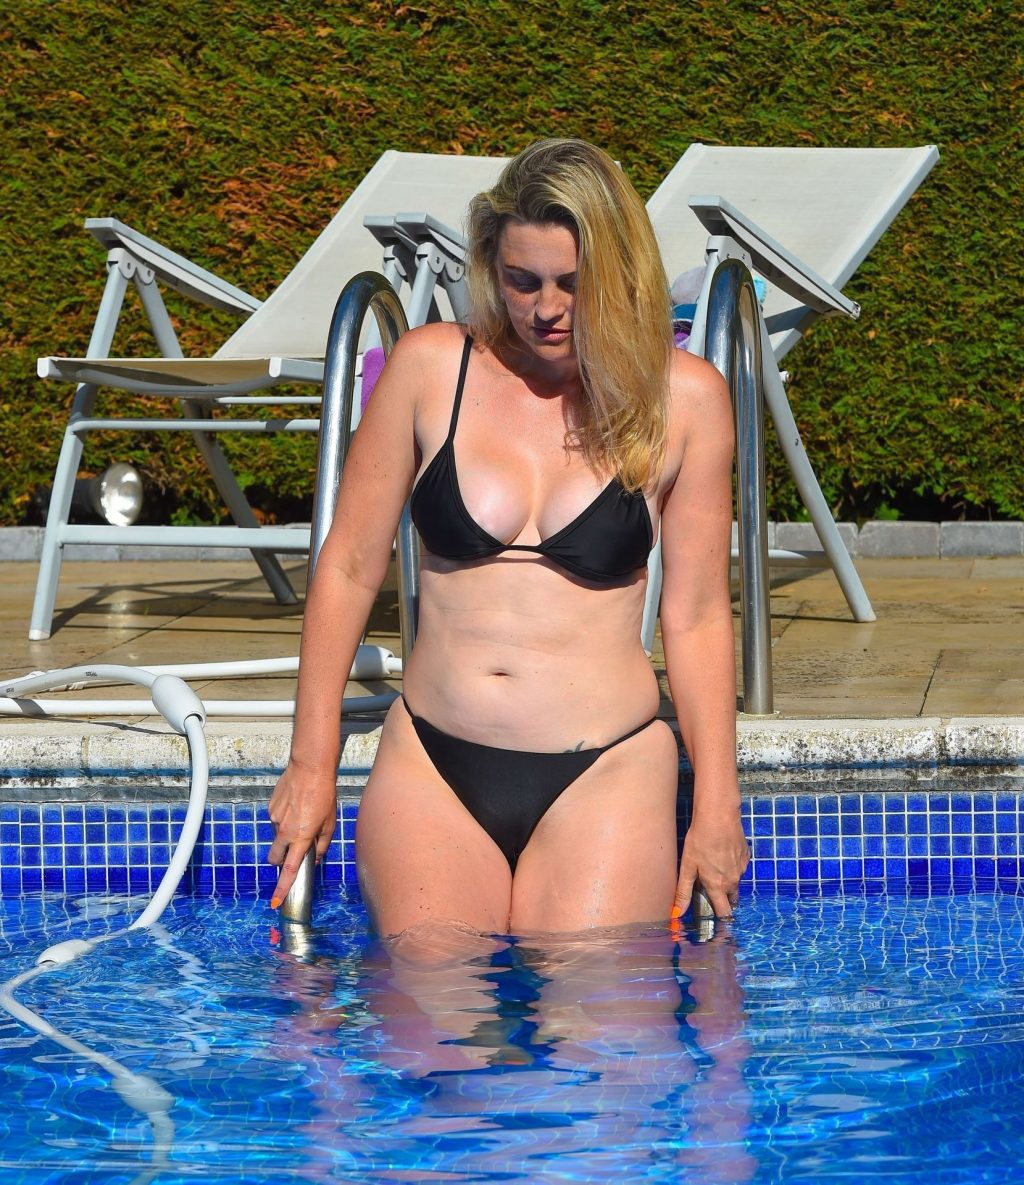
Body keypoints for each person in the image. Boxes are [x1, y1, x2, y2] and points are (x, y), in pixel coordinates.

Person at [267, 138, 749, 936]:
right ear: (493, 269)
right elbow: (348, 566)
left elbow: (695, 615)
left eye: (572, 282)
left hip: (608, 768)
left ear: (618, 272)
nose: (545, 307)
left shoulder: (684, 401)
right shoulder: (429, 370)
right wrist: (310, 762)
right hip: (435, 762)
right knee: (432, 1003)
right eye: (522, 280)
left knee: (597, 1007)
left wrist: (719, 804)